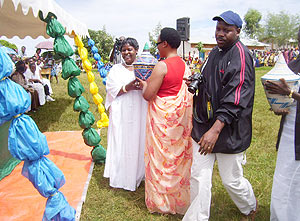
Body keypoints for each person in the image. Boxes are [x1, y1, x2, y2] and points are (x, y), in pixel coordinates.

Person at [183, 11, 257, 221]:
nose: (221, 34)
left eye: (227, 30)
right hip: (205, 125)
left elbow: (236, 99)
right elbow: (208, 80)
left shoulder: (241, 56)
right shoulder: (214, 52)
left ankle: (249, 206)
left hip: (228, 130)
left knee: (231, 180)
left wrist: (215, 131)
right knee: (199, 177)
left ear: (238, 31)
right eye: (218, 29)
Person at [138, 27, 193, 215]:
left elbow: (148, 95)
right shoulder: (186, 66)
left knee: (160, 160)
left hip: (162, 123)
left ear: (165, 44)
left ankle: (161, 203)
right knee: (177, 161)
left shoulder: (161, 66)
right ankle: (178, 202)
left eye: (157, 43)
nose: (157, 47)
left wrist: (144, 84)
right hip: (179, 123)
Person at [265, 27, 300, 221]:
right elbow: (282, 95)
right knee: (283, 181)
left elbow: (289, 92)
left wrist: (289, 93)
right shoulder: (293, 65)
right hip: (290, 132)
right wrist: (277, 104)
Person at [103, 37, 148, 191]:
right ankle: (120, 175)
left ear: (136, 50)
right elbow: (111, 90)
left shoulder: (143, 68)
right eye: (124, 50)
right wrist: (127, 87)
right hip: (120, 111)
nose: (127, 52)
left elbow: (151, 86)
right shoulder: (115, 69)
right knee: (121, 140)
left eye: (130, 49)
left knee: (137, 139)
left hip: (139, 110)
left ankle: (137, 174)